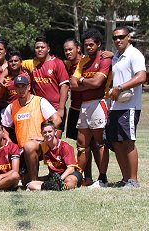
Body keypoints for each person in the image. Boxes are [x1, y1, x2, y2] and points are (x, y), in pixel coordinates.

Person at [0, 37, 69, 138]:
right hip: (38, 108)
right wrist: (2, 76)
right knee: (40, 139)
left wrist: (61, 108)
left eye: (42, 47)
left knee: (54, 139)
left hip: (55, 107)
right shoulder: (31, 63)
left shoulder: (57, 63)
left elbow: (65, 86)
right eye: (37, 47)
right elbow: (13, 64)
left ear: (48, 49)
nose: (39, 49)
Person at [105, 26, 146, 188]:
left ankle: (133, 180)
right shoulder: (117, 56)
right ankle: (125, 178)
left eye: (121, 37)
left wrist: (120, 87)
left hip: (129, 106)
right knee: (116, 142)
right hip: (115, 106)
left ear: (129, 37)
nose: (118, 40)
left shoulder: (134, 54)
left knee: (128, 142)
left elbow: (142, 76)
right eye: (115, 38)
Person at [70, 28, 112, 188]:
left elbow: (97, 83)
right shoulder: (83, 61)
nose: (88, 48)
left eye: (91, 45)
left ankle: (102, 179)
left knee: (100, 143)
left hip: (99, 103)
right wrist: (83, 82)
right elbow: (73, 85)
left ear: (99, 44)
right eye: (86, 45)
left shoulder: (105, 59)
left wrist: (81, 81)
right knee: (81, 143)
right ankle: (80, 177)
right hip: (84, 105)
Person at [1, 75, 61, 184]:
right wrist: (9, 141)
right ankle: (41, 179)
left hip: (40, 144)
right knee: (22, 181)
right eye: (18, 87)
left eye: (23, 86)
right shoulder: (11, 107)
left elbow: (57, 119)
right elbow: (4, 126)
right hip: (21, 149)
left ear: (28, 87)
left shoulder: (40, 101)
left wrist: (44, 136)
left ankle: (33, 182)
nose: (21, 90)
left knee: (29, 146)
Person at [63, 38, 93, 186]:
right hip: (75, 108)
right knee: (81, 144)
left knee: (92, 144)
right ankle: (82, 176)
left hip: (89, 107)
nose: (68, 52)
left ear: (78, 49)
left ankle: (91, 177)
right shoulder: (67, 65)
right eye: (66, 50)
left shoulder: (87, 61)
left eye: (70, 49)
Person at [27, 121, 82, 191]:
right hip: (53, 176)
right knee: (31, 184)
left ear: (55, 132)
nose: (47, 134)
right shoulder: (44, 146)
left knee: (70, 180)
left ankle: (62, 186)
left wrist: (59, 180)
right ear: (41, 134)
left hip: (70, 174)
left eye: (50, 131)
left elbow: (71, 168)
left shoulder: (64, 146)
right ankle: (52, 187)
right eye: (44, 132)